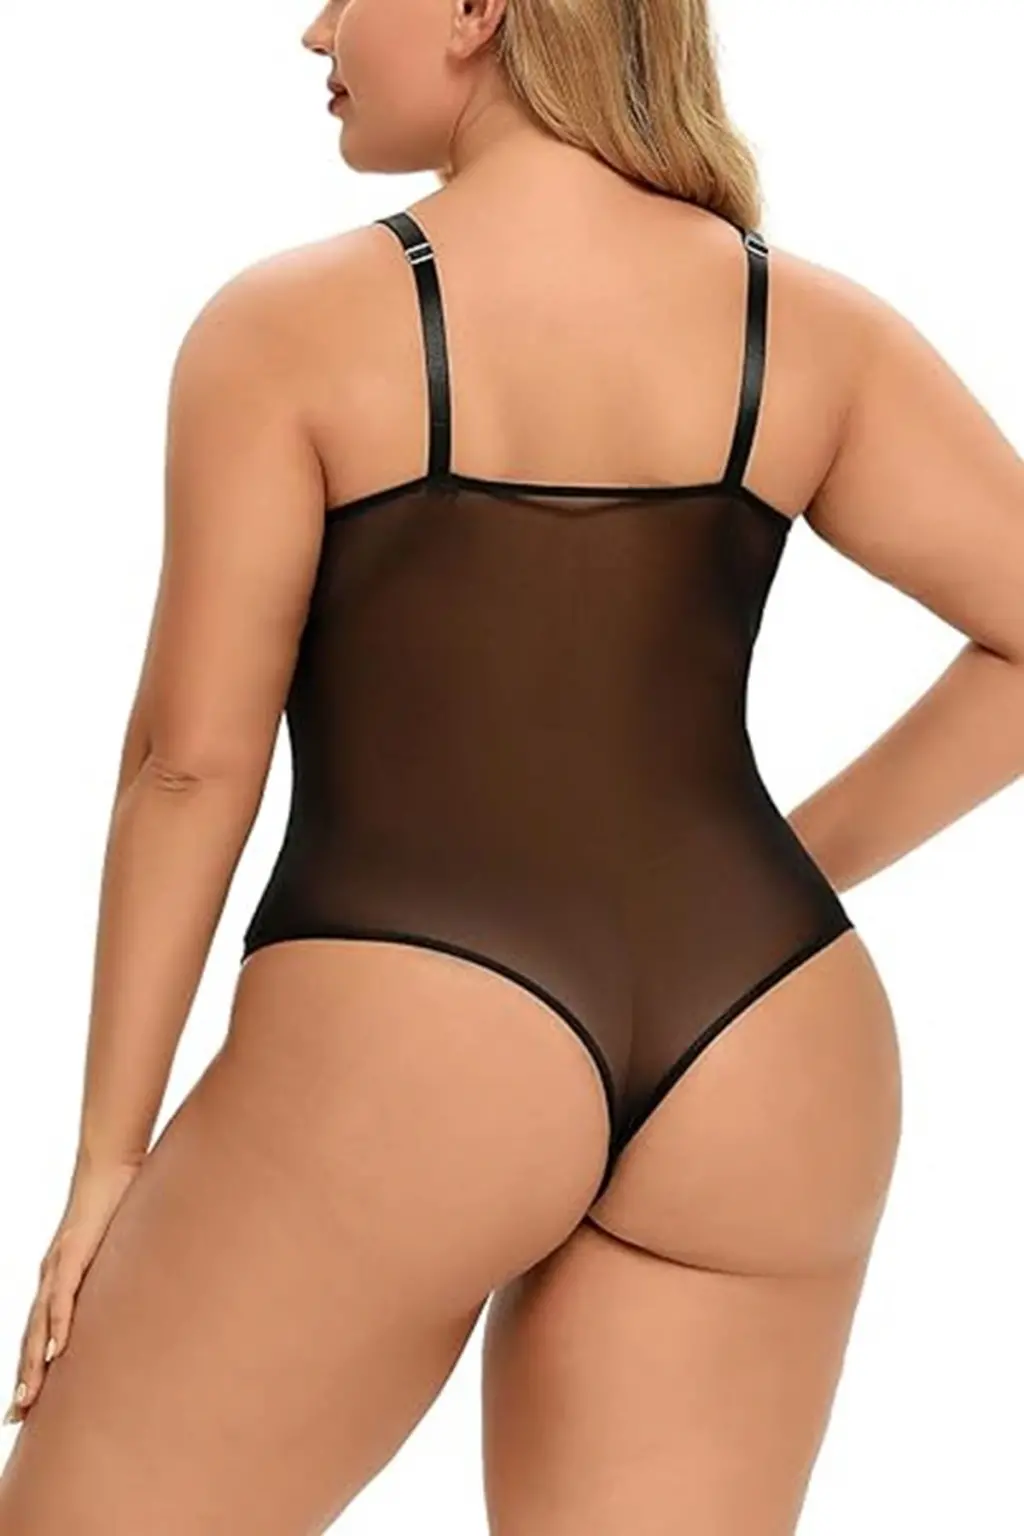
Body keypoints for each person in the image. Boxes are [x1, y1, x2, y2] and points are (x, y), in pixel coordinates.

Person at [1, 0, 1021, 1530]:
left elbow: (190, 767)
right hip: (770, 1038)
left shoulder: (289, 327)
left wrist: (105, 1160)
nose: (317, 30)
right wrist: (773, 877)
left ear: (482, 7)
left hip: (415, 1027)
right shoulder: (812, 326)